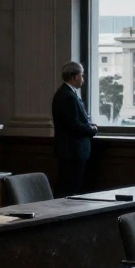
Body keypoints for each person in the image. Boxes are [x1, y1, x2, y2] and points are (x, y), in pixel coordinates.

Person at [51, 61, 98, 196]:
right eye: (81, 75)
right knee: (71, 190)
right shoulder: (68, 96)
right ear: (74, 76)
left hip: (70, 151)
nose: (83, 79)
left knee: (69, 188)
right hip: (72, 151)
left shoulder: (65, 93)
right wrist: (92, 129)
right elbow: (74, 124)